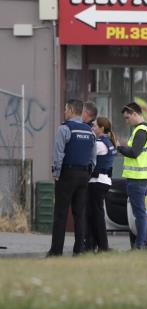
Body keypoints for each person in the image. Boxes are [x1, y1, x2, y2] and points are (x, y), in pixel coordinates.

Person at [47, 99, 96, 257]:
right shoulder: (90, 131)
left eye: (66, 109)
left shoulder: (65, 128)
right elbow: (93, 158)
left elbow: (58, 153)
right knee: (79, 214)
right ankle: (79, 250)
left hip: (67, 174)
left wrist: (56, 172)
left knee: (61, 213)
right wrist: (87, 172)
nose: (64, 112)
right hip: (83, 175)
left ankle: (56, 251)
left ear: (71, 110)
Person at [117, 102, 147, 249]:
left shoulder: (141, 131)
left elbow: (134, 153)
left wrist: (119, 148)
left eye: (127, 117)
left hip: (137, 178)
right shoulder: (145, 130)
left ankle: (140, 244)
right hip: (140, 178)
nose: (127, 121)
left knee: (139, 213)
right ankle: (140, 243)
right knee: (140, 212)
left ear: (134, 114)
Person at [86, 116, 117, 252]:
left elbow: (87, 157)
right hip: (104, 181)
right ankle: (95, 245)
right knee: (95, 214)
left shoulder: (99, 144)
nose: (92, 128)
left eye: (94, 126)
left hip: (96, 182)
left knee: (95, 215)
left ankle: (102, 246)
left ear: (101, 128)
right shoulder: (109, 142)